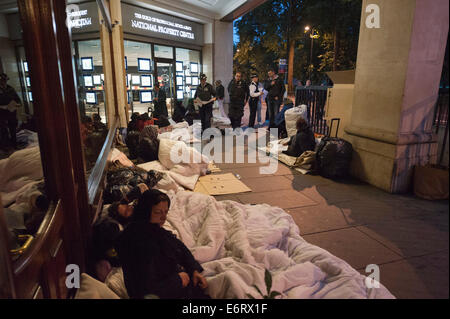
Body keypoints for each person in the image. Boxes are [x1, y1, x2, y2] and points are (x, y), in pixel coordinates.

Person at [116, 189, 209, 299]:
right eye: (158, 212)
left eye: (165, 212)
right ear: (145, 211)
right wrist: (178, 280)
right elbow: (143, 289)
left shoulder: (152, 228)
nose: (164, 217)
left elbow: (178, 246)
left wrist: (194, 269)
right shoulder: (135, 241)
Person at [0, 73, 21, 148]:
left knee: (13, 129)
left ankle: (14, 144)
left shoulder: (11, 89)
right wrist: (3, 107)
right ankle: (6, 146)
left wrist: (18, 104)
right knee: (3, 131)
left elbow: (18, 100)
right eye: (2, 80)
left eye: (4, 80)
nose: (3, 82)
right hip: (1, 114)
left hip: (11, 112)